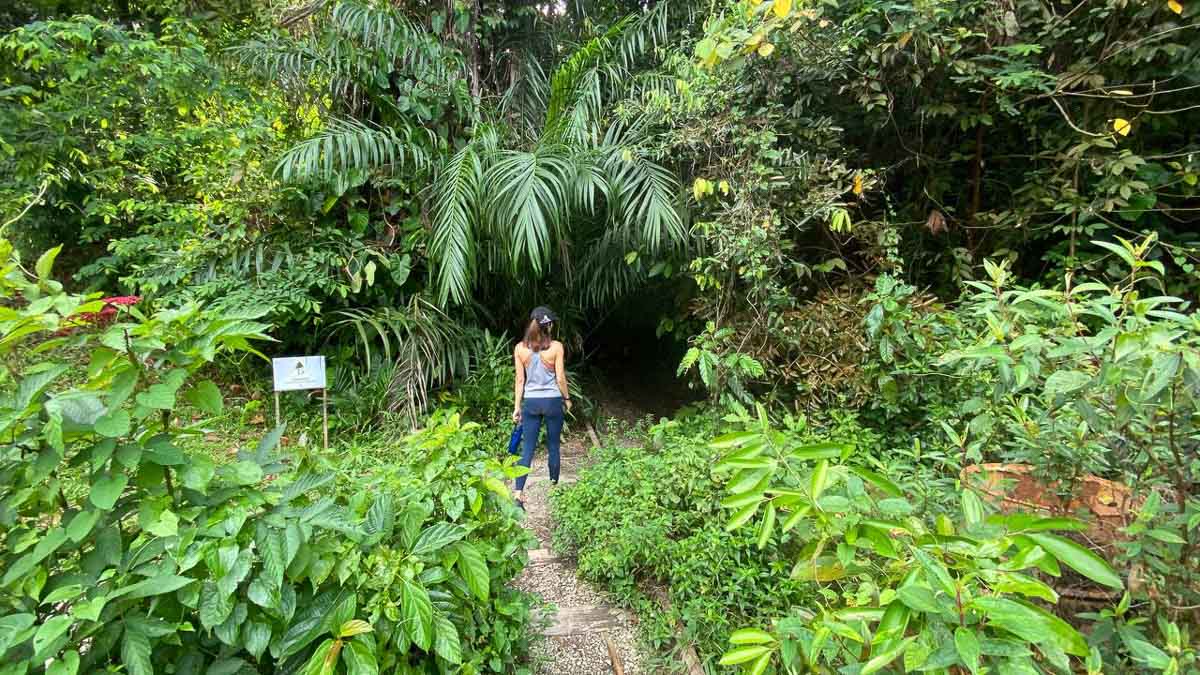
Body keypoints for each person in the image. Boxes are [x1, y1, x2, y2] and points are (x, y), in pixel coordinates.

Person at [512, 306, 572, 509]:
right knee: (553, 446)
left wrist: (517, 407)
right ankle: (554, 488)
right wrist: (567, 398)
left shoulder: (520, 348)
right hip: (553, 401)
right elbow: (561, 377)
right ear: (549, 326)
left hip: (531, 402)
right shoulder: (556, 347)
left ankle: (518, 494)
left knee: (527, 448)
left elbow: (520, 380)